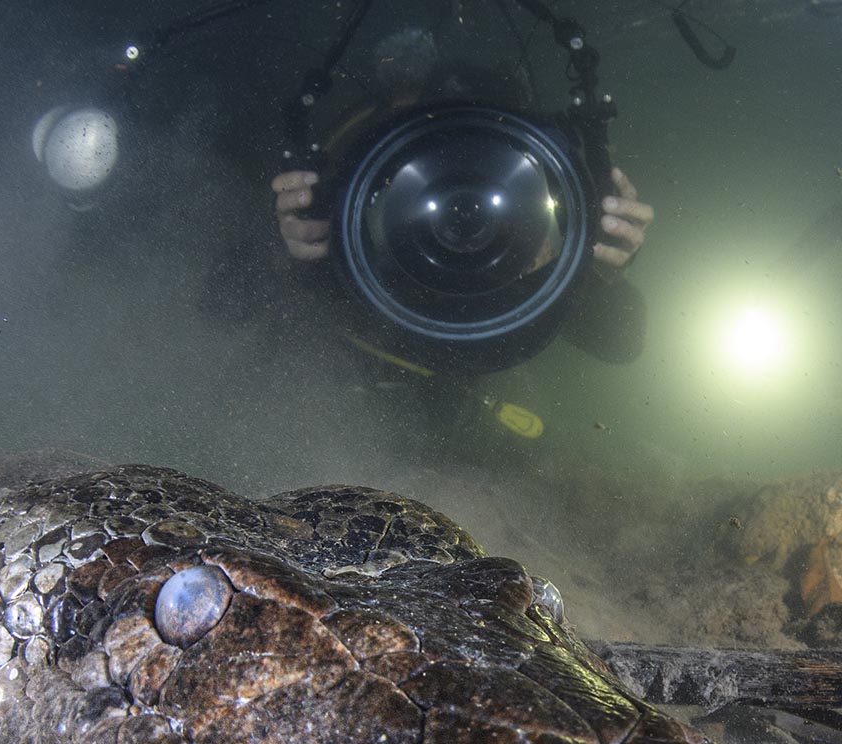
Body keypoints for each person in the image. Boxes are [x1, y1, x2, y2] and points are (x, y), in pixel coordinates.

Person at [269, 39, 655, 443]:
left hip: (475, 433)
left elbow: (622, 341)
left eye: (492, 164)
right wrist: (300, 247)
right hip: (342, 414)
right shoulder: (347, 222)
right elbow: (225, 304)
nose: (464, 210)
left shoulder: (549, 242)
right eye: (437, 161)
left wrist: (598, 265)